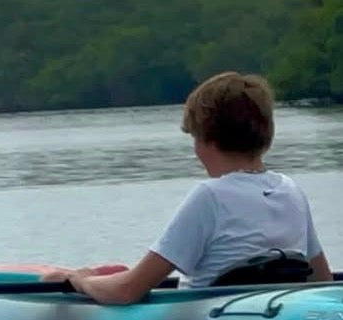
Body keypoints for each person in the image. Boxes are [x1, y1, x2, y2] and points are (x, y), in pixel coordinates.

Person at [50, 71, 331, 305]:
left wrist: (82, 281)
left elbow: (128, 291)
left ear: (205, 140)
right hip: (274, 313)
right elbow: (322, 282)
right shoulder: (290, 190)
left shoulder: (211, 196)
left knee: (84, 279)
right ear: (266, 134)